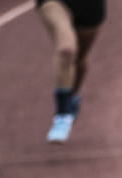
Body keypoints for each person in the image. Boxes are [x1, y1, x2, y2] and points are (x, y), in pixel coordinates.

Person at [35, 0, 106, 144]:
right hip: (54, 3)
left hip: (90, 7)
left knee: (79, 58)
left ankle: (73, 96)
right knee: (66, 49)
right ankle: (62, 114)